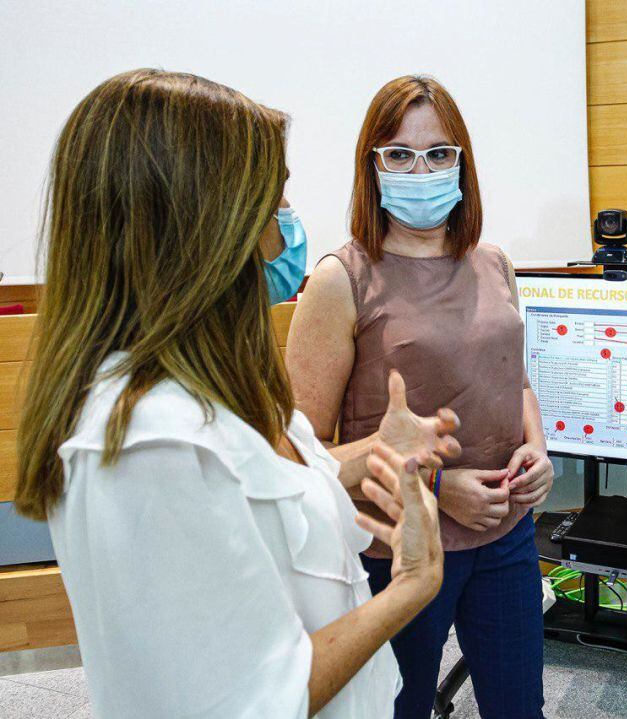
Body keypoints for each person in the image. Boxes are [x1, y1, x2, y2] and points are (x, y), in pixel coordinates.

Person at [13, 68, 459, 718]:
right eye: (273, 205)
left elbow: (254, 489)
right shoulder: (149, 443)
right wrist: (412, 586)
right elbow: (255, 699)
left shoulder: (206, 384)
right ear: (204, 232)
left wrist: (373, 452)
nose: (285, 235)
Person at [286, 75, 551, 719]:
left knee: (520, 707)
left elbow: (513, 378)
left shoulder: (494, 263)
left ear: (462, 162)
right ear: (371, 167)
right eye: (399, 154)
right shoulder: (338, 280)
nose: (421, 169)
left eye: (438, 153)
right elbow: (304, 453)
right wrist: (438, 489)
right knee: (394, 708)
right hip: (395, 550)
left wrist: (537, 450)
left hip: (505, 533)